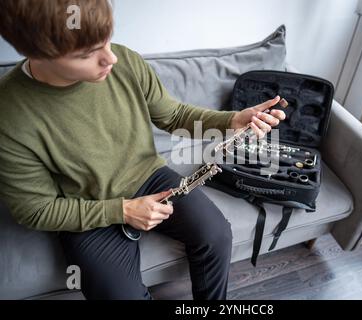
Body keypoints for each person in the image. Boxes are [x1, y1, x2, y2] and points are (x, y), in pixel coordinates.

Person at [0, 0, 286, 300]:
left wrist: (232, 120)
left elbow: (174, 116)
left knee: (216, 235)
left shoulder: (124, 60)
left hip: (149, 176)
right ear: (38, 53)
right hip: (84, 206)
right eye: (88, 54)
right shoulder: (10, 114)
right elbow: (36, 210)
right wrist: (123, 210)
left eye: (107, 41)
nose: (110, 58)